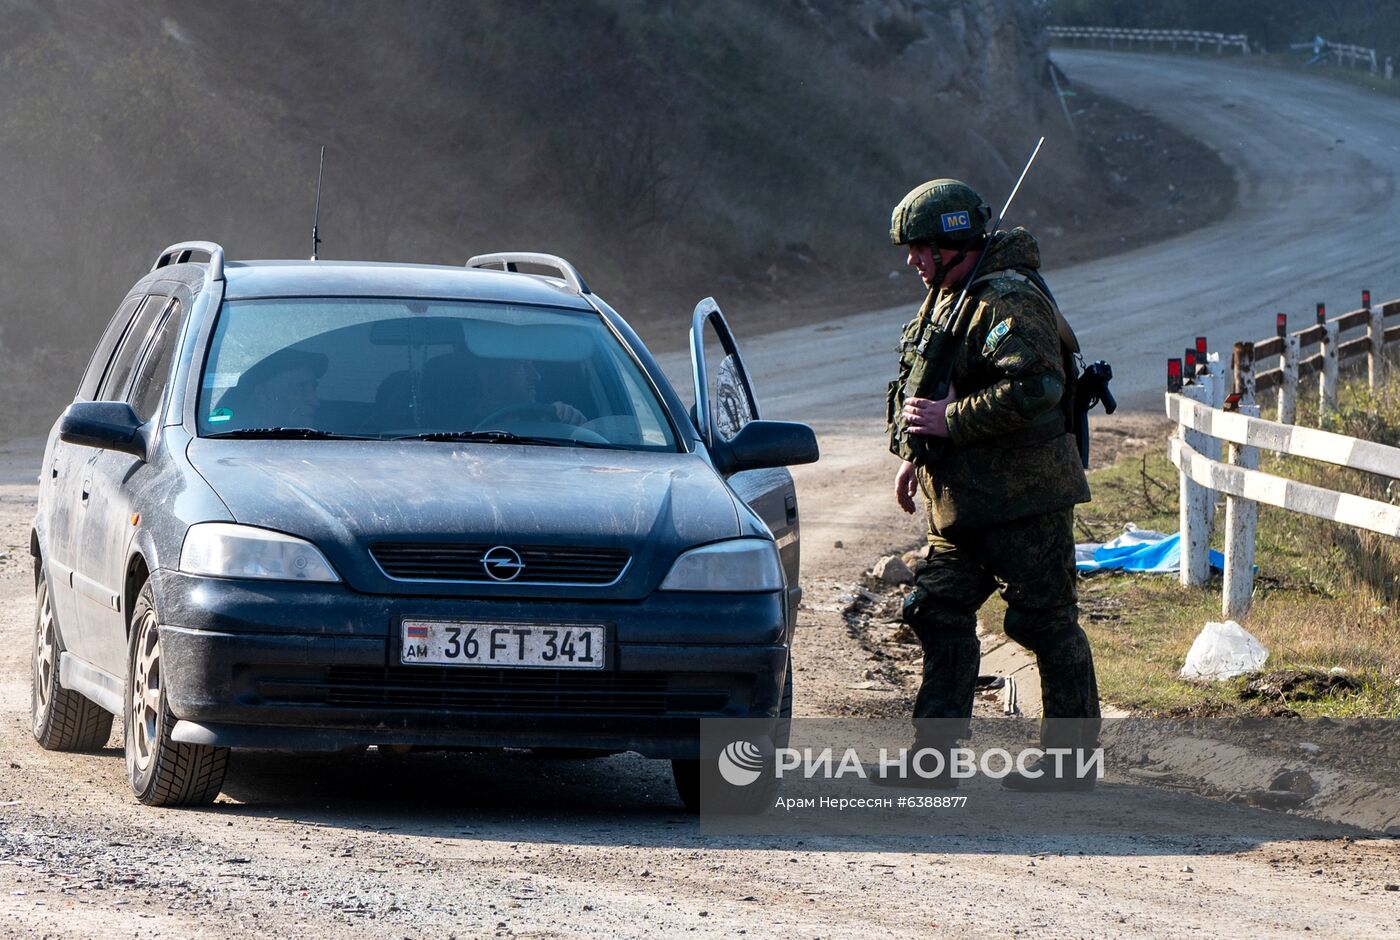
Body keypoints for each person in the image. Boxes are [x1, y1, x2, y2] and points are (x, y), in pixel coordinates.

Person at [882, 178, 1100, 791]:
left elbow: (1038, 388)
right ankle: (934, 761)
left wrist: (950, 421)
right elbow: (927, 390)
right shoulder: (949, 296)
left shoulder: (1007, 298)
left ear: (957, 241)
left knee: (1046, 624)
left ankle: (1070, 766)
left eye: (923, 247)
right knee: (935, 607)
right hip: (962, 507)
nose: (914, 261)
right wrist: (914, 457)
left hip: (1025, 502)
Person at [216, 348, 325, 429]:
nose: (315, 401)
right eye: (301, 388)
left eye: (313, 389)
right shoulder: (222, 445)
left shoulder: (329, 446)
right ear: (262, 393)